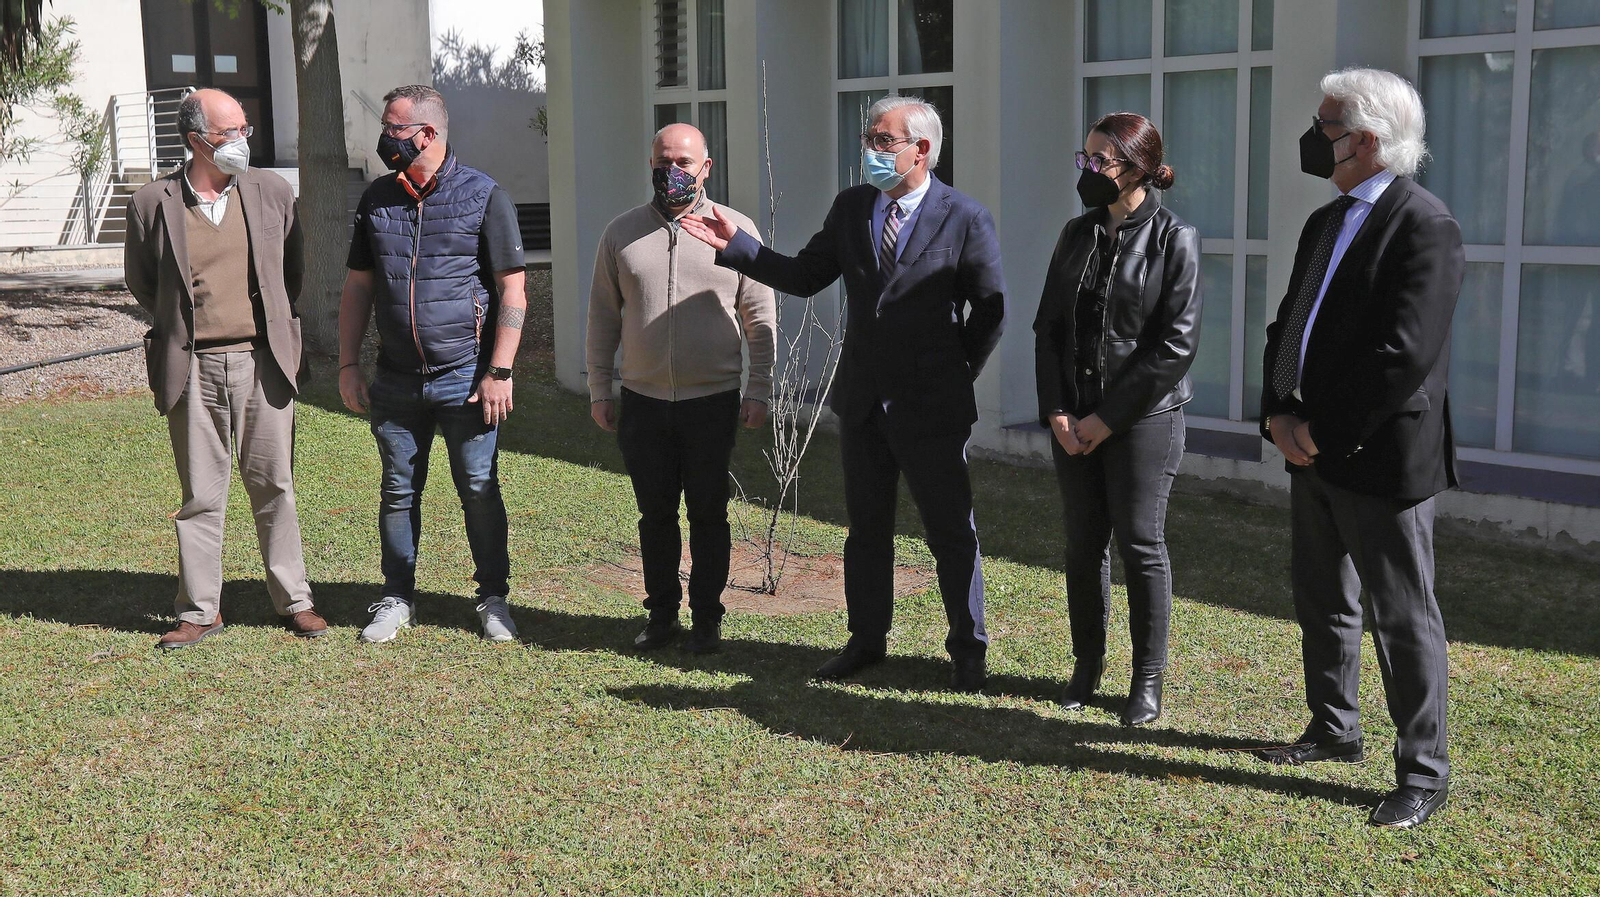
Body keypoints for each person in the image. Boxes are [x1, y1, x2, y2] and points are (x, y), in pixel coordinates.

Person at [682, 95, 1006, 693]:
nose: (872, 151)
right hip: (861, 401)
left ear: (922, 149)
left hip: (931, 406)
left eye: (885, 141)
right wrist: (740, 247)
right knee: (866, 529)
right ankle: (866, 640)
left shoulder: (964, 217)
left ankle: (967, 649)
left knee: (950, 531)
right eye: (870, 139)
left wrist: (957, 375)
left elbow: (989, 310)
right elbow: (806, 276)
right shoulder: (854, 207)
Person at [1254, 68, 1464, 830]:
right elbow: (1292, 323)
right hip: (1310, 444)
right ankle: (1333, 727)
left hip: (1378, 455)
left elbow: (1400, 356)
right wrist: (1278, 410)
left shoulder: (1424, 225)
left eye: (1326, 126)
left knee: (1402, 615)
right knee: (1322, 597)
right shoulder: (1327, 220)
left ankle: (1424, 772)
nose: (1314, 138)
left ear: (1366, 140)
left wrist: (1322, 431)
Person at [124, 88, 327, 649]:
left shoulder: (271, 191)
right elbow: (144, 281)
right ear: (197, 141)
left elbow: (292, 271)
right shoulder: (150, 203)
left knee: (275, 486)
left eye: (245, 129)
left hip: (264, 363)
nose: (242, 140)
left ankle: (296, 601)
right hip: (192, 368)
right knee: (200, 496)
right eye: (230, 132)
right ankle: (200, 610)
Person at [337, 85, 528, 644]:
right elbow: (358, 288)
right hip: (396, 379)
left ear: (426, 134)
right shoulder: (377, 199)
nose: (383, 139)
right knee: (398, 490)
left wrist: (500, 370)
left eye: (392, 129)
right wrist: (349, 363)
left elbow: (512, 290)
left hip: (467, 378)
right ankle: (397, 596)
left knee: (478, 486)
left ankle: (493, 597)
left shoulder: (484, 195)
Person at [1032, 112, 1201, 726]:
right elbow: (1047, 327)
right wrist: (1056, 409)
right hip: (1071, 418)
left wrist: (1106, 418)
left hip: (1143, 420)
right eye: (1084, 158)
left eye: (1099, 161)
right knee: (1083, 545)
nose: (1088, 171)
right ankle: (1087, 664)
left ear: (1137, 169)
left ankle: (1146, 680)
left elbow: (1175, 346)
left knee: (1140, 544)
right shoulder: (1076, 234)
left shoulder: (1174, 237)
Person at [586, 123, 776, 655]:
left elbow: (760, 316)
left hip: (711, 402)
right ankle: (662, 614)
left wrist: (758, 388)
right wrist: (601, 387)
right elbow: (603, 316)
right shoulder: (621, 233)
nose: (672, 171)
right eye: (663, 160)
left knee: (709, 515)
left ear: (705, 168)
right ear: (650, 163)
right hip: (642, 403)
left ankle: (708, 618)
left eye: (684, 162)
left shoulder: (735, 231)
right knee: (656, 515)